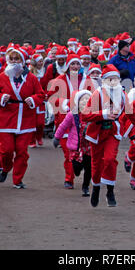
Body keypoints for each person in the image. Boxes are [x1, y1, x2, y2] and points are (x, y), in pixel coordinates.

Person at [0, 49, 45, 189]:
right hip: (7, 118)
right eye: (12, 59)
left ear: (23, 61)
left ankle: (17, 179)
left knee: (22, 151)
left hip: (25, 118)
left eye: (17, 59)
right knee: (6, 150)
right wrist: (2, 97)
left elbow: (40, 94)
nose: (14, 62)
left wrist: (32, 99)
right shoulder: (2, 77)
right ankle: (6, 168)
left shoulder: (31, 78)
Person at [82, 64, 129, 207]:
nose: (113, 82)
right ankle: (96, 188)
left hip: (113, 132)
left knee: (109, 160)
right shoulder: (97, 94)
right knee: (96, 164)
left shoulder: (122, 94)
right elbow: (85, 115)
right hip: (97, 133)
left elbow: (131, 113)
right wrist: (103, 114)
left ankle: (110, 190)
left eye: (116, 79)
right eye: (110, 79)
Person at [47, 54, 87, 189]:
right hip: (65, 119)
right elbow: (51, 98)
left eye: (77, 64)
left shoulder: (87, 80)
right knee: (68, 153)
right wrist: (66, 103)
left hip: (83, 122)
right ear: (68, 66)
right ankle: (69, 179)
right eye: (72, 64)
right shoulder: (59, 80)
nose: (75, 67)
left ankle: (83, 173)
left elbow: (94, 97)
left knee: (85, 153)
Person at [53, 90, 92, 197]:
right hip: (76, 146)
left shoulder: (94, 114)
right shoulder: (72, 114)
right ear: (77, 102)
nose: (85, 101)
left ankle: (85, 187)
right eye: (82, 99)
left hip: (89, 146)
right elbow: (63, 126)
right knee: (77, 167)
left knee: (89, 167)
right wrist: (57, 137)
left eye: (88, 99)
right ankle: (77, 170)